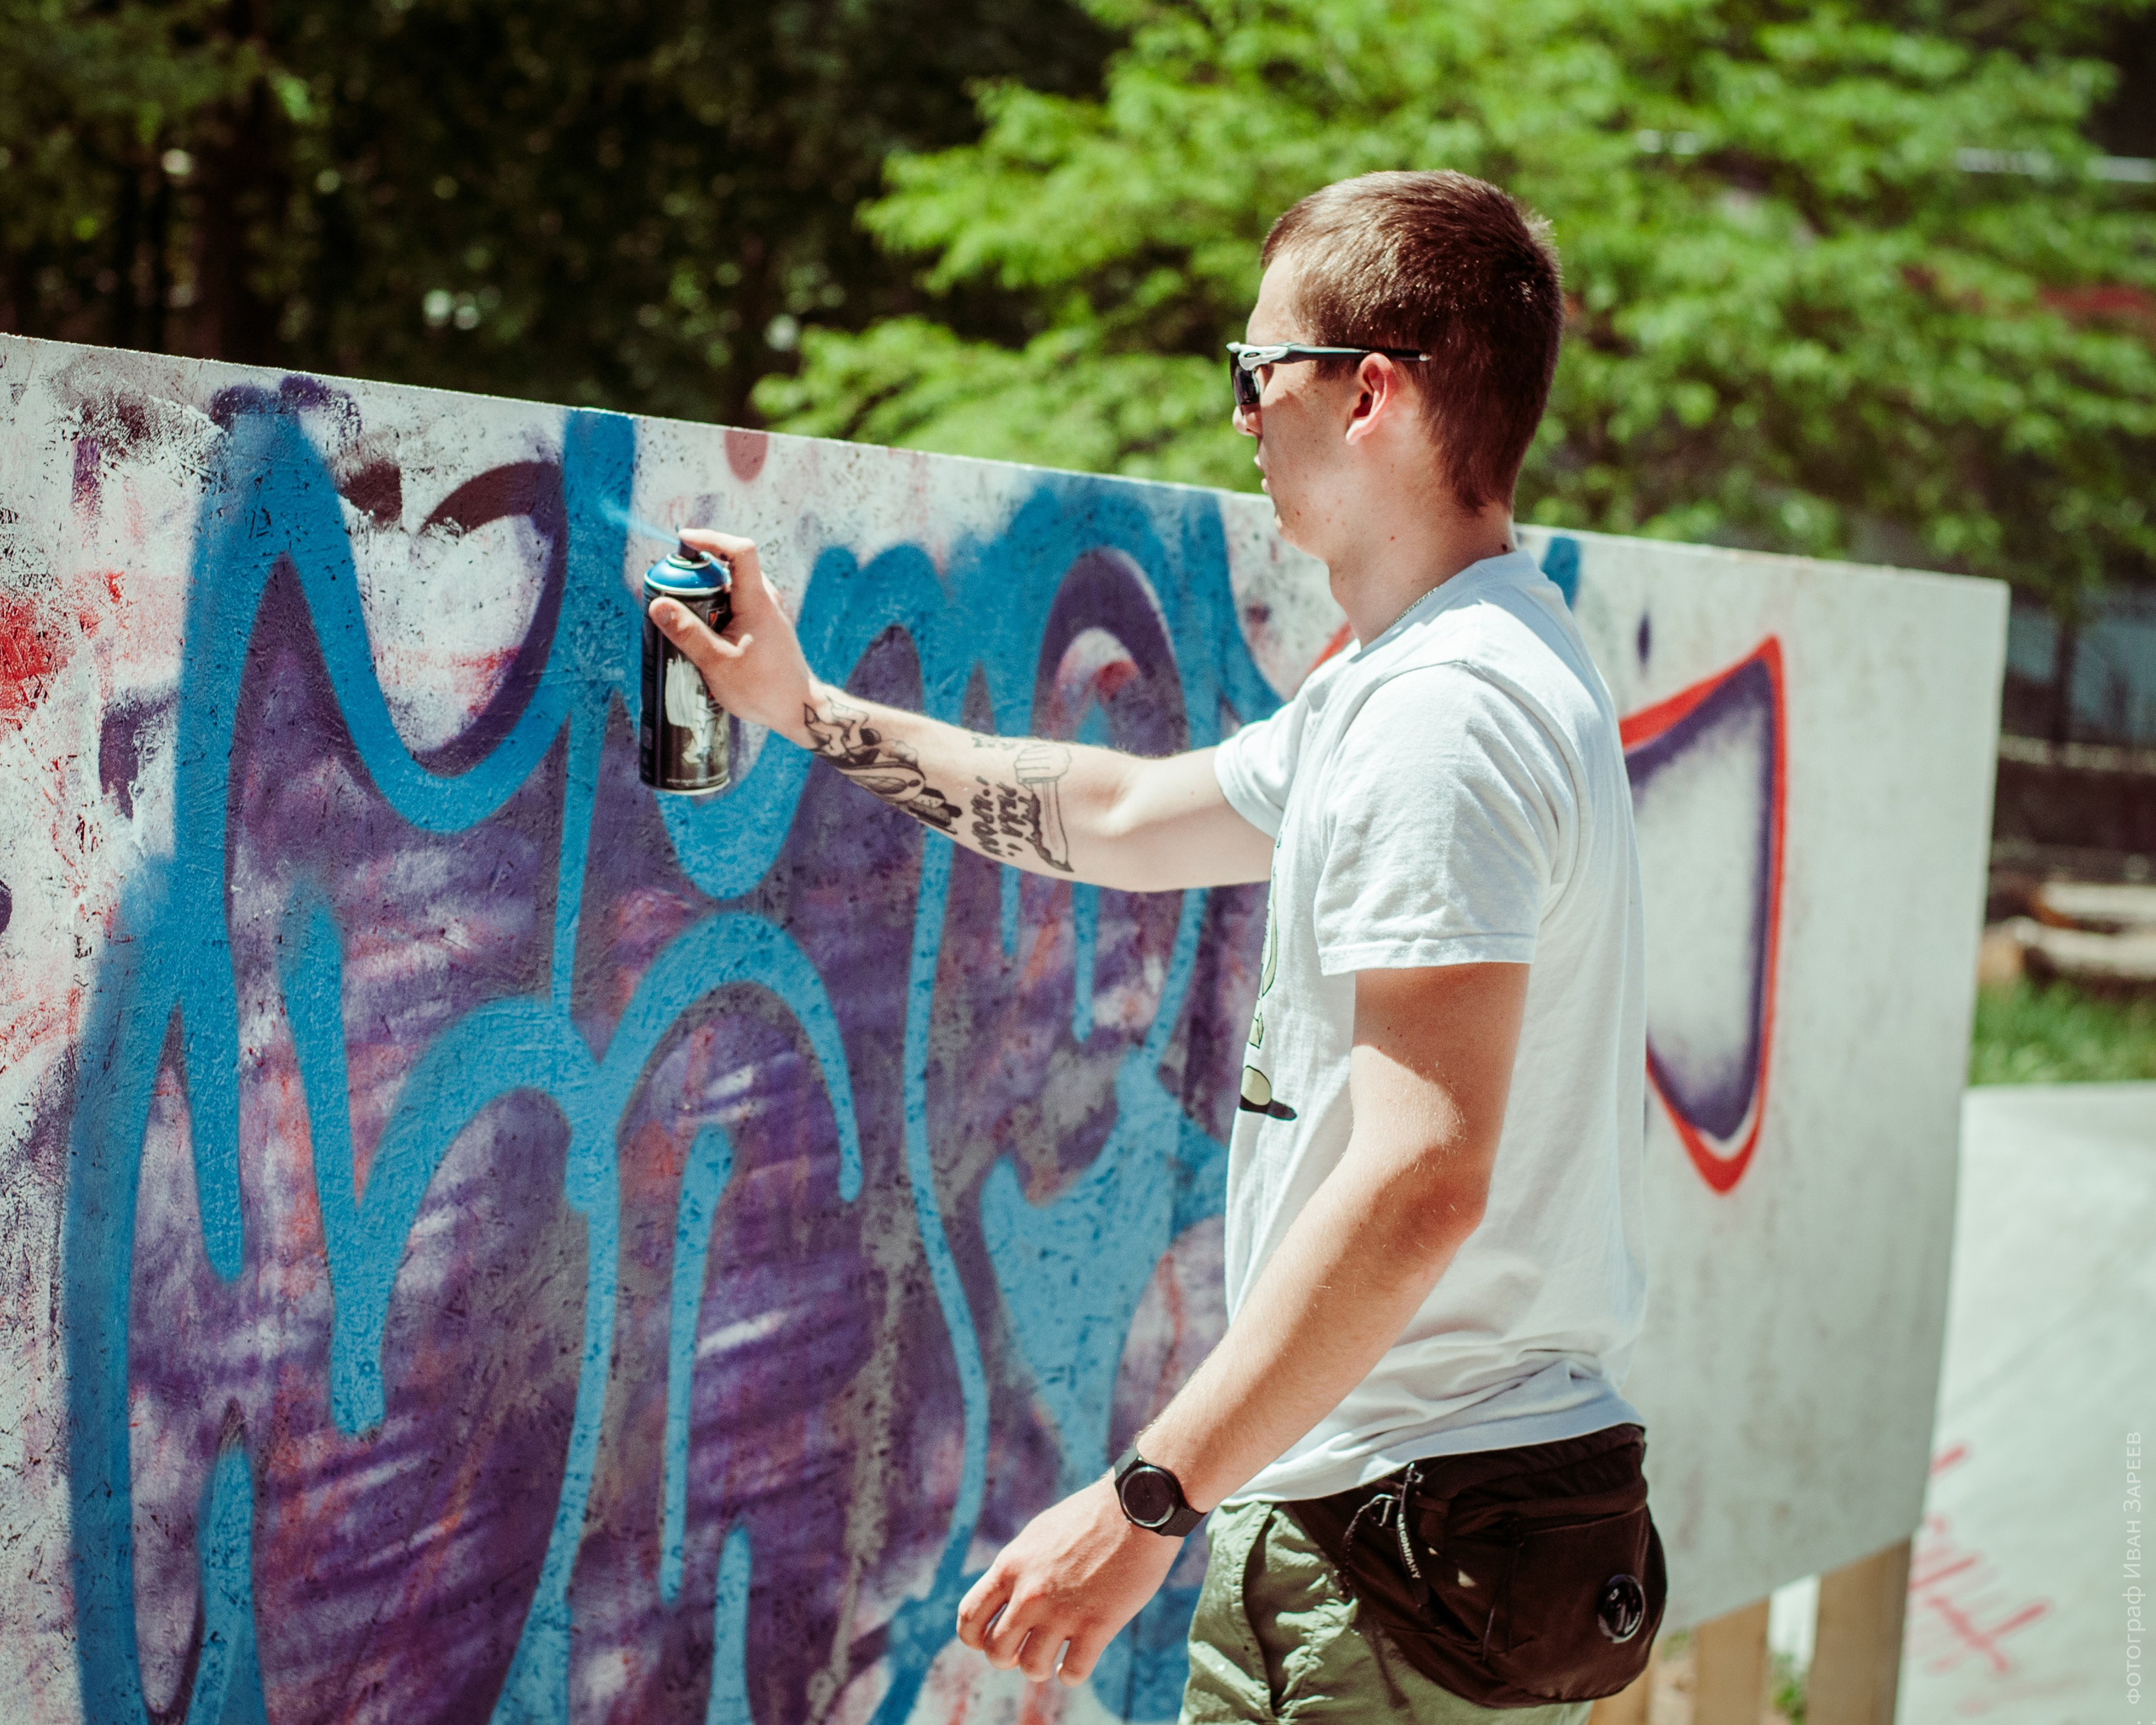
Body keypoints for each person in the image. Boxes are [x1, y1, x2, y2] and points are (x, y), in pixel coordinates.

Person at [650, 168, 1658, 1723]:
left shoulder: (1444, 719)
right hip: (1452, 1531)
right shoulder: (1429, 676)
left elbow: (1419, 1177)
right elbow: (1120, 816)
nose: (1242, 419)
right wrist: (807, 713)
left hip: (1388, 1555)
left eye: (1257, 376)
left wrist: (1142, 1510)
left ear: (1371, 392)